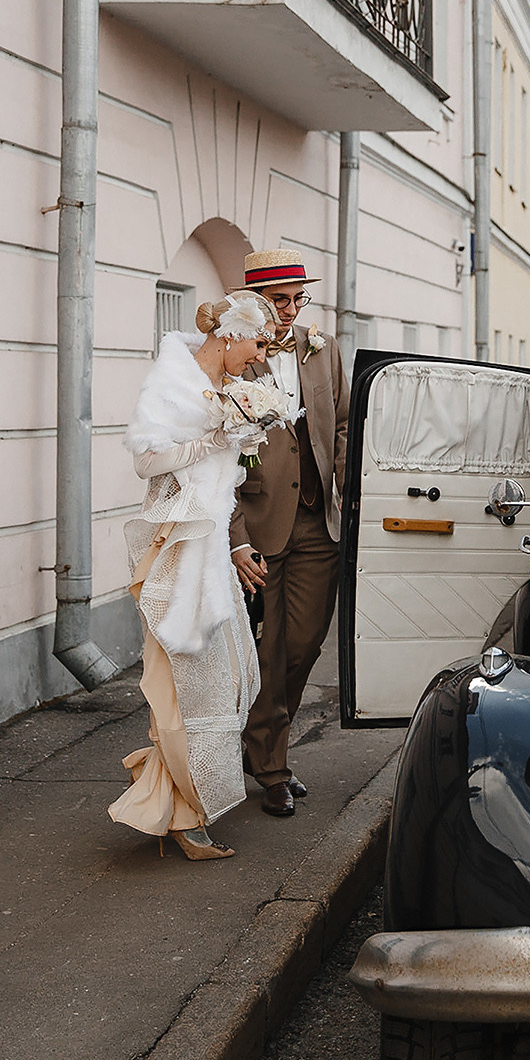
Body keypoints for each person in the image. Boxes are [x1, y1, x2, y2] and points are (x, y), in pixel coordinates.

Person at [109, 290, 279, 859]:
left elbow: (222, 482)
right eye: (258, 345)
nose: (260, 358)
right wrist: (214, 439)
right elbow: (147, 460)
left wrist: (241, 440)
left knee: (228, 677)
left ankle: (181, 802)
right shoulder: (173, 380)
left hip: (211, 552)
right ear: (231, 334)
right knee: (186, 682)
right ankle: (184, 813)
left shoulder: (229, 388)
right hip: (178, 549)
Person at [229, 248, 349, 818]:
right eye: (280, 300)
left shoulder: (322, 350)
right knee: (267, 650)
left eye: (299, 299)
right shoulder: (233, 356)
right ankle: (271, 764)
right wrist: (234, 537)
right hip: (258, 525)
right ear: (253, 301)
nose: (291, 310)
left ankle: (260, 746)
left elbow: (343, 425)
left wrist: (349, 493)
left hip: (318, 520)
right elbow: (214, 456)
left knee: (303, 645)